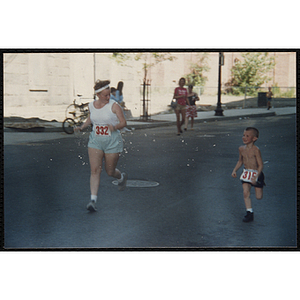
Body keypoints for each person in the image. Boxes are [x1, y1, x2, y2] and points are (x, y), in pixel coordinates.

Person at [74, 79, 128, 212]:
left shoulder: (114, 106)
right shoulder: (91, 105)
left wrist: (114, 127)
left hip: (112, 141)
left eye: (109, 94)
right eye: (105, 95)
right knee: (95, 170)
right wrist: (82, 127)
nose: (109, 97)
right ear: (98, 95)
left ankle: (121, 177)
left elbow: (123, 123)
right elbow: (91, 118)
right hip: (96, 140)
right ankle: (93, 200)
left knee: (110, 171)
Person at [231, 127, 265, 222]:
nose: (244, 137)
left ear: (254, 139)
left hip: (256, 173)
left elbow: (261, 165)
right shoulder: (241, 149)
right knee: (246, 193)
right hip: (246, 173)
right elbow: (240, 161)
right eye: (243, 135)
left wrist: (256, 176)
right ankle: (249, 213)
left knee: (258, 197)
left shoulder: (256, 150)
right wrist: (234, 170)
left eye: (247, 136)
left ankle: (260, 185)